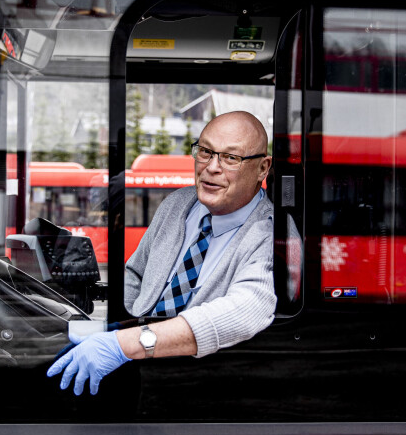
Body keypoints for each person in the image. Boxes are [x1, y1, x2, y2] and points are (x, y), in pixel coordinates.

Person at [48, 110, 275, 395]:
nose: (211, 167)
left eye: (230, 158)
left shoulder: (270, 233)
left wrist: (125, 345)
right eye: (205, 151)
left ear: (263, 168)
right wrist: (115, 330)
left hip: (196, 385)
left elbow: (248, 308)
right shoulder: (177, 204)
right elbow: (135, 273)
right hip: (137, 365)